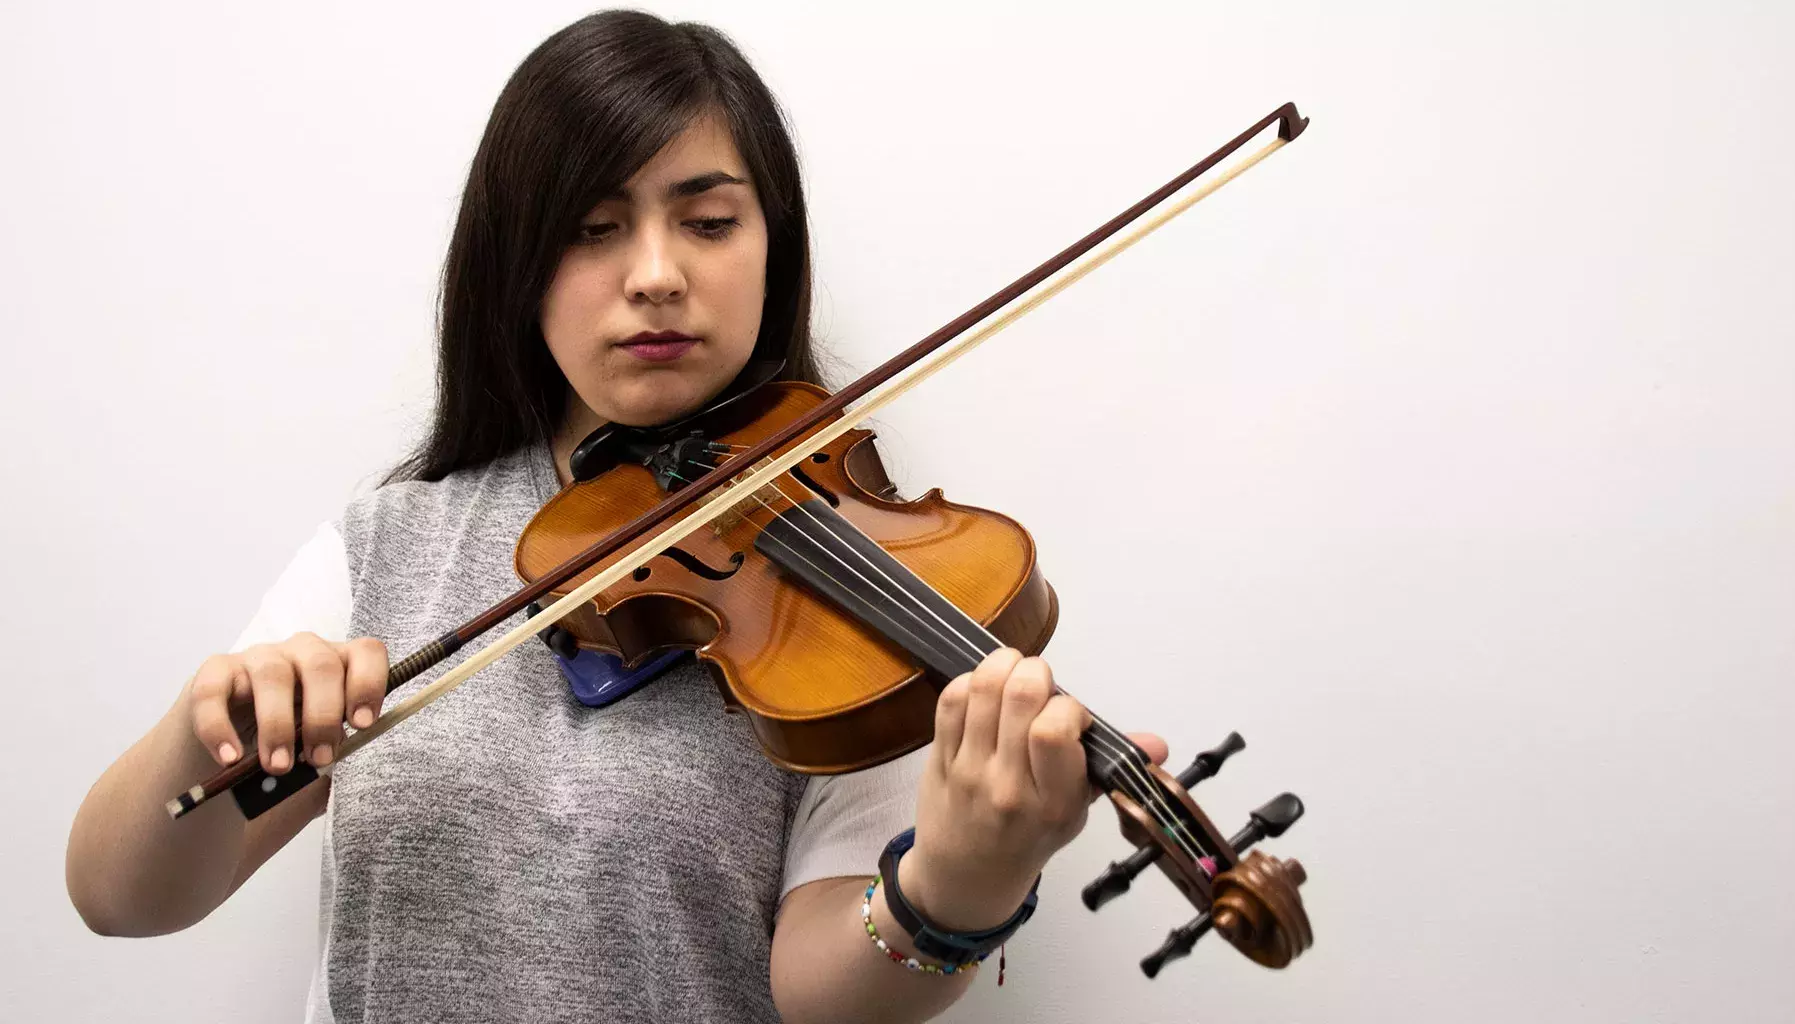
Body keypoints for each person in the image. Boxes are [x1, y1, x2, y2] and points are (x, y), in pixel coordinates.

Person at [64, 10, 1165, 1023]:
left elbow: (822, 996)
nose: (654, 275)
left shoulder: (862, 586)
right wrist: (201, 729)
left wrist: (954, 884)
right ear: (518, 265)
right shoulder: (386, 545)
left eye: (710, 220)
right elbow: (120, 897)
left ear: (769, 245)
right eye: (593, 228)